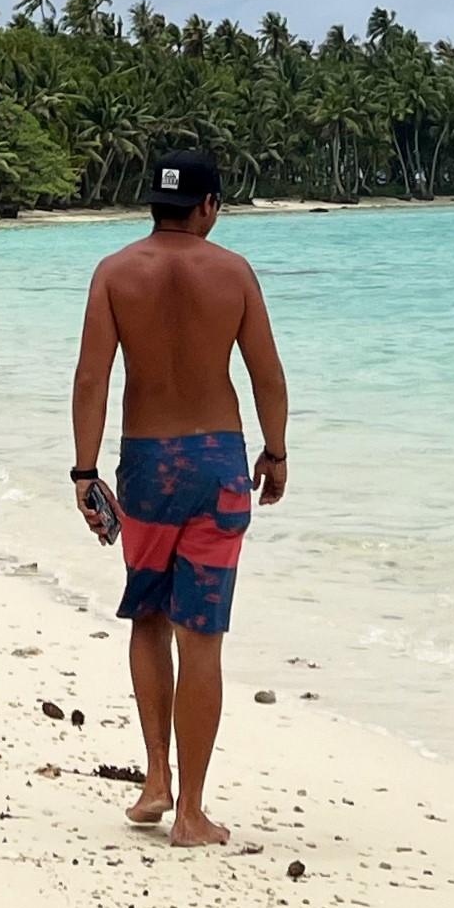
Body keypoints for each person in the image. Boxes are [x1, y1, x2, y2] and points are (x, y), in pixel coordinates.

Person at [69, 148, 290, 848]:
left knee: (148, 617)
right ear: (209, 206)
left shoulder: (113, 272)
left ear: (152, 204)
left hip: (146, 465)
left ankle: (155, 779)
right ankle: (192, 811)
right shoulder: (233, 273)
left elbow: (90, 380)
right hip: (218, 462)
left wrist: (83, 471)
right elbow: (267, 376)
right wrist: (275, 451)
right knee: (203, 637)